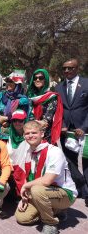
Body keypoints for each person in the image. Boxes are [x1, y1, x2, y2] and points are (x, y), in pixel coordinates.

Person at [15, 121, 78, 234]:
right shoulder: (28, 152)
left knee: (36, 190)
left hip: (65, 193)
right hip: (43, 191)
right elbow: (28, 176)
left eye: (34, 132)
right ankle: (53, 210)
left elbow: (47, 180)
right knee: (22, 218)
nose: (30, 136)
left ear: (42, 134)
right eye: (27, 133)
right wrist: (24, 197)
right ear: (24, 136)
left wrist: (26, 186)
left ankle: (51, 223)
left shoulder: (54, 151)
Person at [56, 58, 88, 206]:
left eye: (70, 68)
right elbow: (58, 110)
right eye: (65, 68)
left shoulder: (86, 84)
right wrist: (62, 125)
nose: (67, 71)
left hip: (85, 131)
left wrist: (84, 127)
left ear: (77, 68)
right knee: (70, 161)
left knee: (86, 162)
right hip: (66, 132)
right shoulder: (58, 87)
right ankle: (80, 187)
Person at [27, 68, 63, 144]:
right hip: (29, 133)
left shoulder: (51, 97)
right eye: (35, 78)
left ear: (45, 79)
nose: (37, 80)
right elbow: (28, 114)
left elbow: (47, 119)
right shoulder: (30, 96)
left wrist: (34, 124)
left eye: (40, 78)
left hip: (45, 135)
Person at [0, 71, 30, 141]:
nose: (8, 83)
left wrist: (7, 120)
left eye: (11, 81)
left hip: (14, 132)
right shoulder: (0, 95)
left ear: (17, 84)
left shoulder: (23, 100)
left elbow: (23, 116)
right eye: (7, 81)